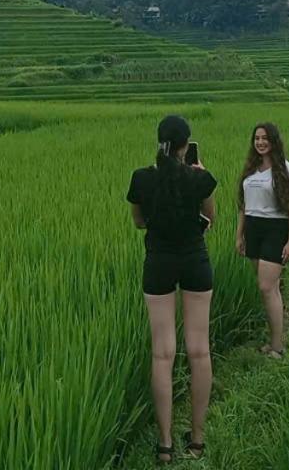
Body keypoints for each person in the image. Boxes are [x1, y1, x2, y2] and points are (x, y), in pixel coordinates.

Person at [127, 114, 217, 464]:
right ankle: (196, 440)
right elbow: (209, 219)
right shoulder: (199, 178)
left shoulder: (142, 178)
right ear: (186, 146)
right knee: (199, 350)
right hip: (195, 261)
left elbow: (138, 221)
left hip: (158, 264)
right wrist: (198, 176)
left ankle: (164, 444)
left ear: (159, 142)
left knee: (162, 354)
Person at [235, 122, 289, 359]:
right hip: (253, 228)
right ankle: (274, 341)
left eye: (264, 138)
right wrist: (239, 235)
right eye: (256, 138)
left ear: (273, 141)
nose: (260, 142)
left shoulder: (286, 170)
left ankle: (277, 346)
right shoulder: (250, 170)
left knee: (266, 286)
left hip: (275, 228)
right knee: (269, 288)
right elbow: (242, 206)